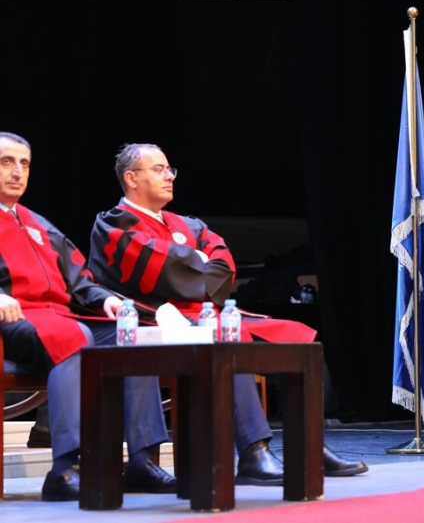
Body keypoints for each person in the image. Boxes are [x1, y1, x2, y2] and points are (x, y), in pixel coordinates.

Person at [87, 143, 368, 479]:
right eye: (159, 169)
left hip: (205, 315)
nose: (169, 176)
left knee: (296, 337)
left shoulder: (187, 224)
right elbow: (157, 269)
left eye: (170, 169)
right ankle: (253, 452)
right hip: (156, 320)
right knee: (225, 339)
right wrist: (197, 260)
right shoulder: (114, 223)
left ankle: (310, 446)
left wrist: (189, 264)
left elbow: (223, 264)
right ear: (131, 178)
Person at [0, 131, 176, 501]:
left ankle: (141, 462)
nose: (17, 171)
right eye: (6, 162)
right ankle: (65, 470)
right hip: (14, 321)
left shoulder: (38, 224)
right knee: (72, 337)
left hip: (59, 318)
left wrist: (106, 299)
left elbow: (80, 279)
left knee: (135, 338)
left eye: (24, 164)